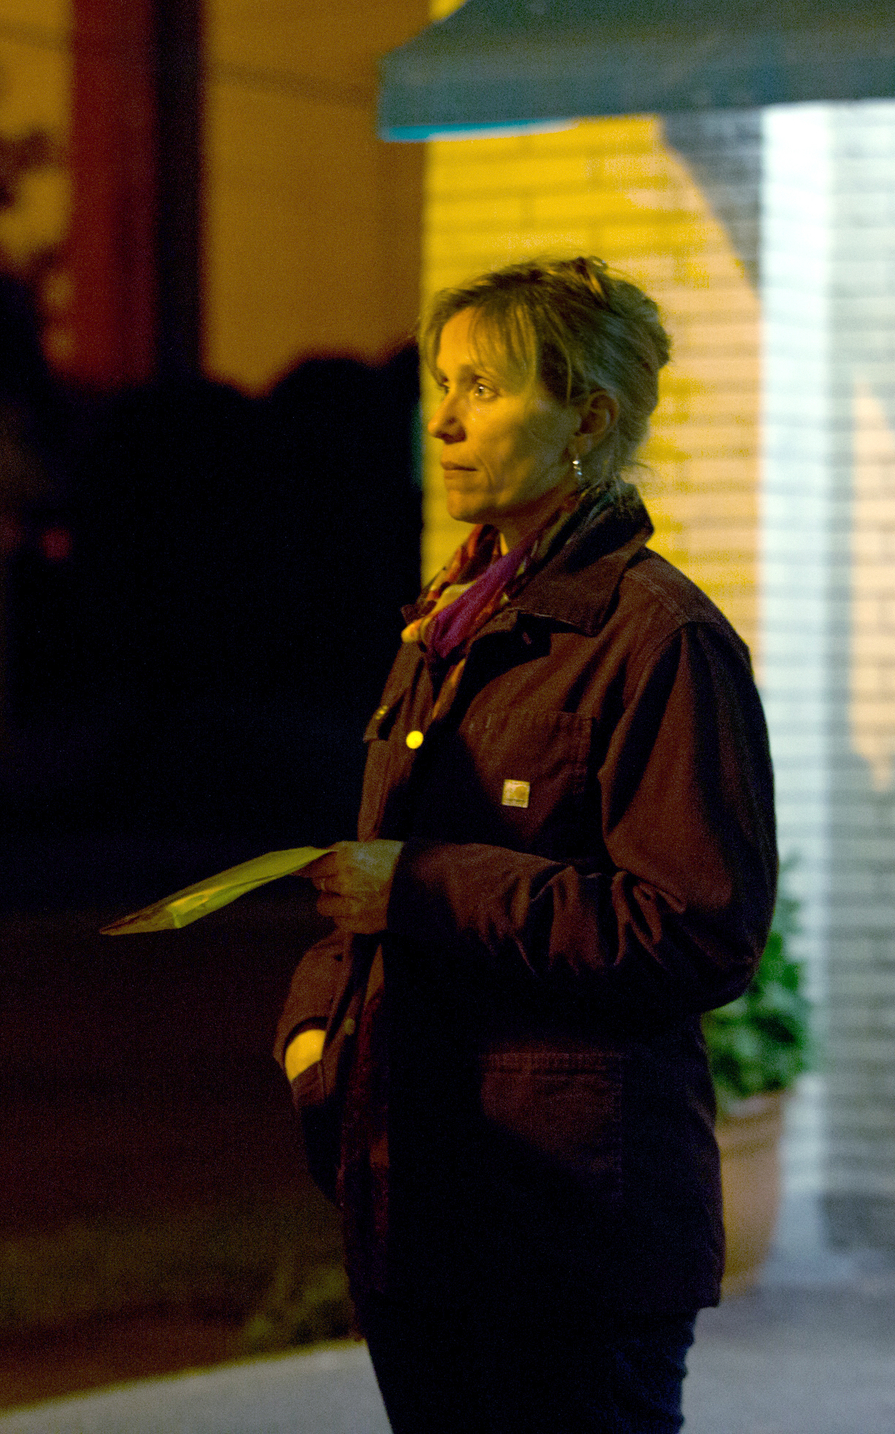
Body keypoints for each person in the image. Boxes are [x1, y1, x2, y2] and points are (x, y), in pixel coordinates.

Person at [281, 255, 777, 1433]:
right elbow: (374, 877)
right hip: (423, 1211)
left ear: (585, 421)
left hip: (566, 1237)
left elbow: (692, 931)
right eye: (439, 386)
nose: (443, 421)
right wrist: (315, 1029)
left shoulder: (655, 640)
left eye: (485, 390)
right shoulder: (447, 627)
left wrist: (429, 887)